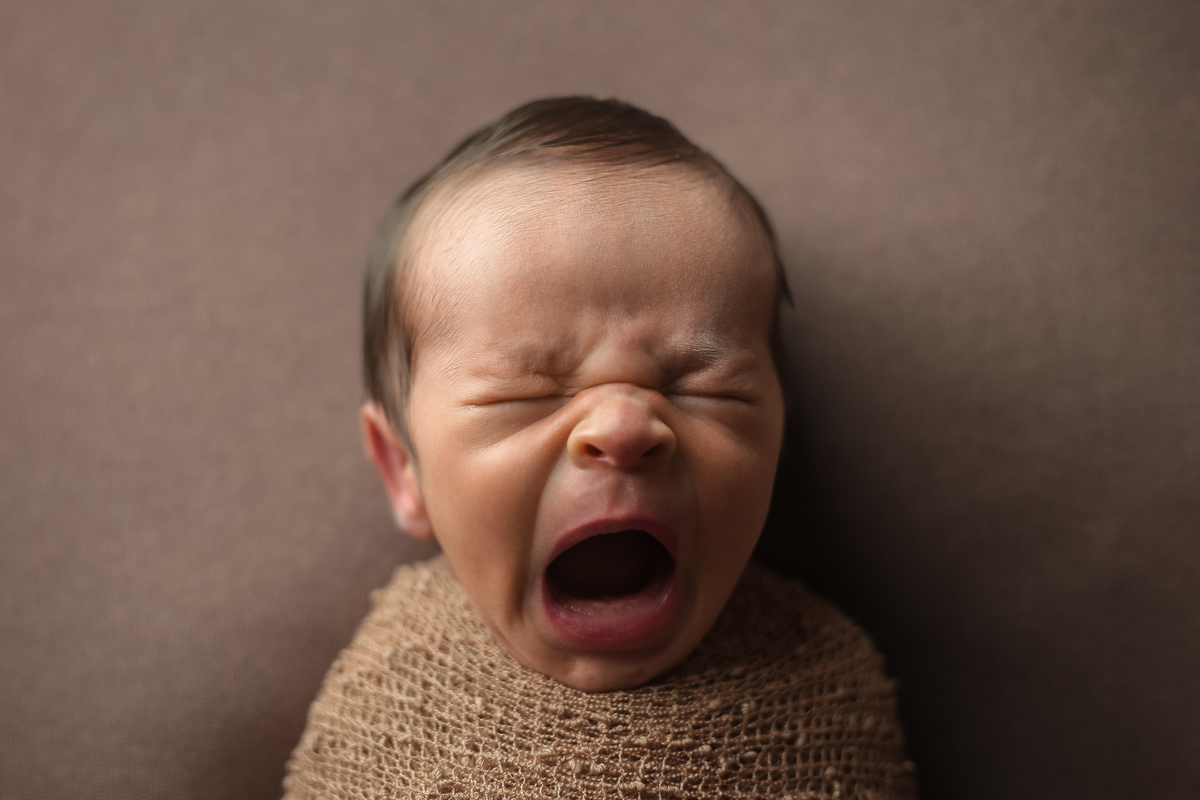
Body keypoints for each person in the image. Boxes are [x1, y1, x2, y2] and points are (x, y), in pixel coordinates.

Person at [283, 97, 915, 799]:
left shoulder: (825, 691)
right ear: (404, 468)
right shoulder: (387, 695)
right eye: (523, 392)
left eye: (705, 387)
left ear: (778, 438)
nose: (621, 427)